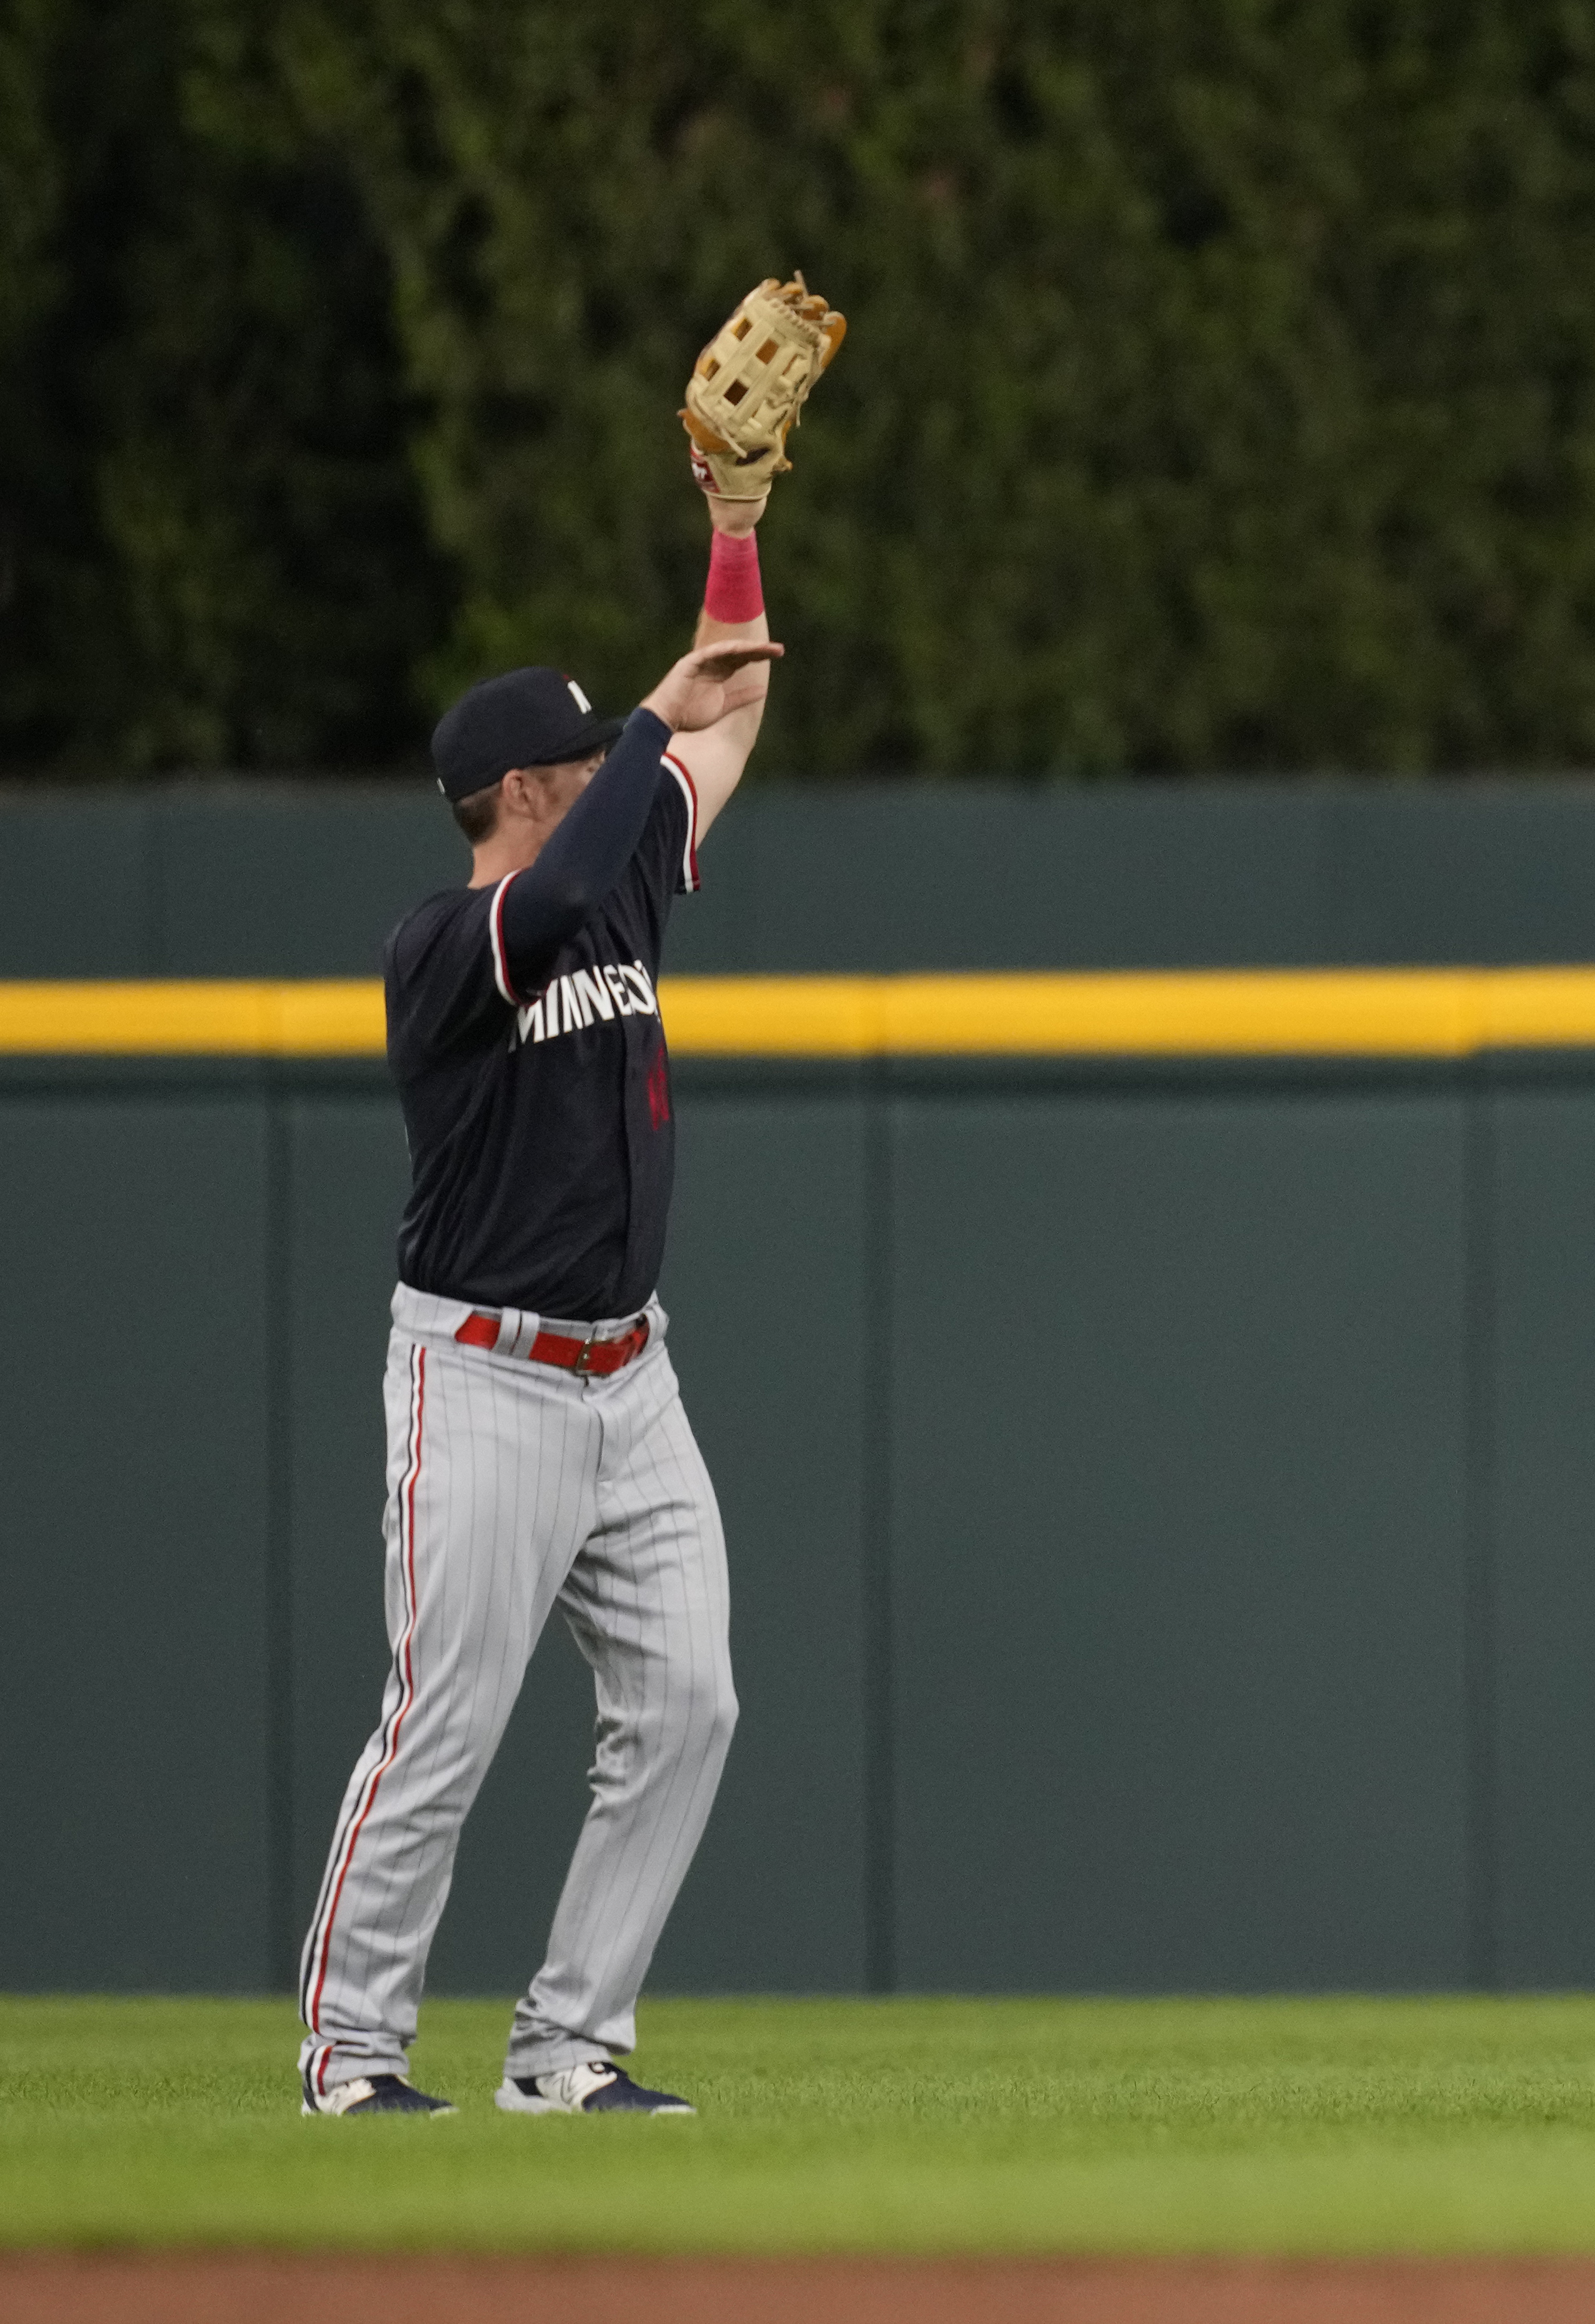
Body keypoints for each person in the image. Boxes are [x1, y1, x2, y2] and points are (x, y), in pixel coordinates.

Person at [291, 471, 788, 2118]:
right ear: (521, 788)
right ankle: (352, 2055)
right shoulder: (441, 947)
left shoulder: (621, 867)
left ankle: (569, 2044)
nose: (610, 777)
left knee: (693, 1698)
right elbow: (571, 881)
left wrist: (737, 517)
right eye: (578, 761)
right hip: (483, 1376)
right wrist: (649, 709)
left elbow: (728, 711)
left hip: (629, 1377)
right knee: (446, 1723)